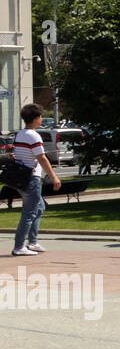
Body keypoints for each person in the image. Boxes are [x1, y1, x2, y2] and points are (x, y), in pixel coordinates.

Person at [10, 103, 60, 256]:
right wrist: (54, 177)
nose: (41, 120)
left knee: (39, 208)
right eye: (40, 117)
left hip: (21, 177)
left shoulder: (20, 134)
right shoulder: (33, 135)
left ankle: (32, 242)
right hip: (31, 178)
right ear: (36, 118)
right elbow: (42, 158)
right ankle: (19, 247)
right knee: (29, 212)